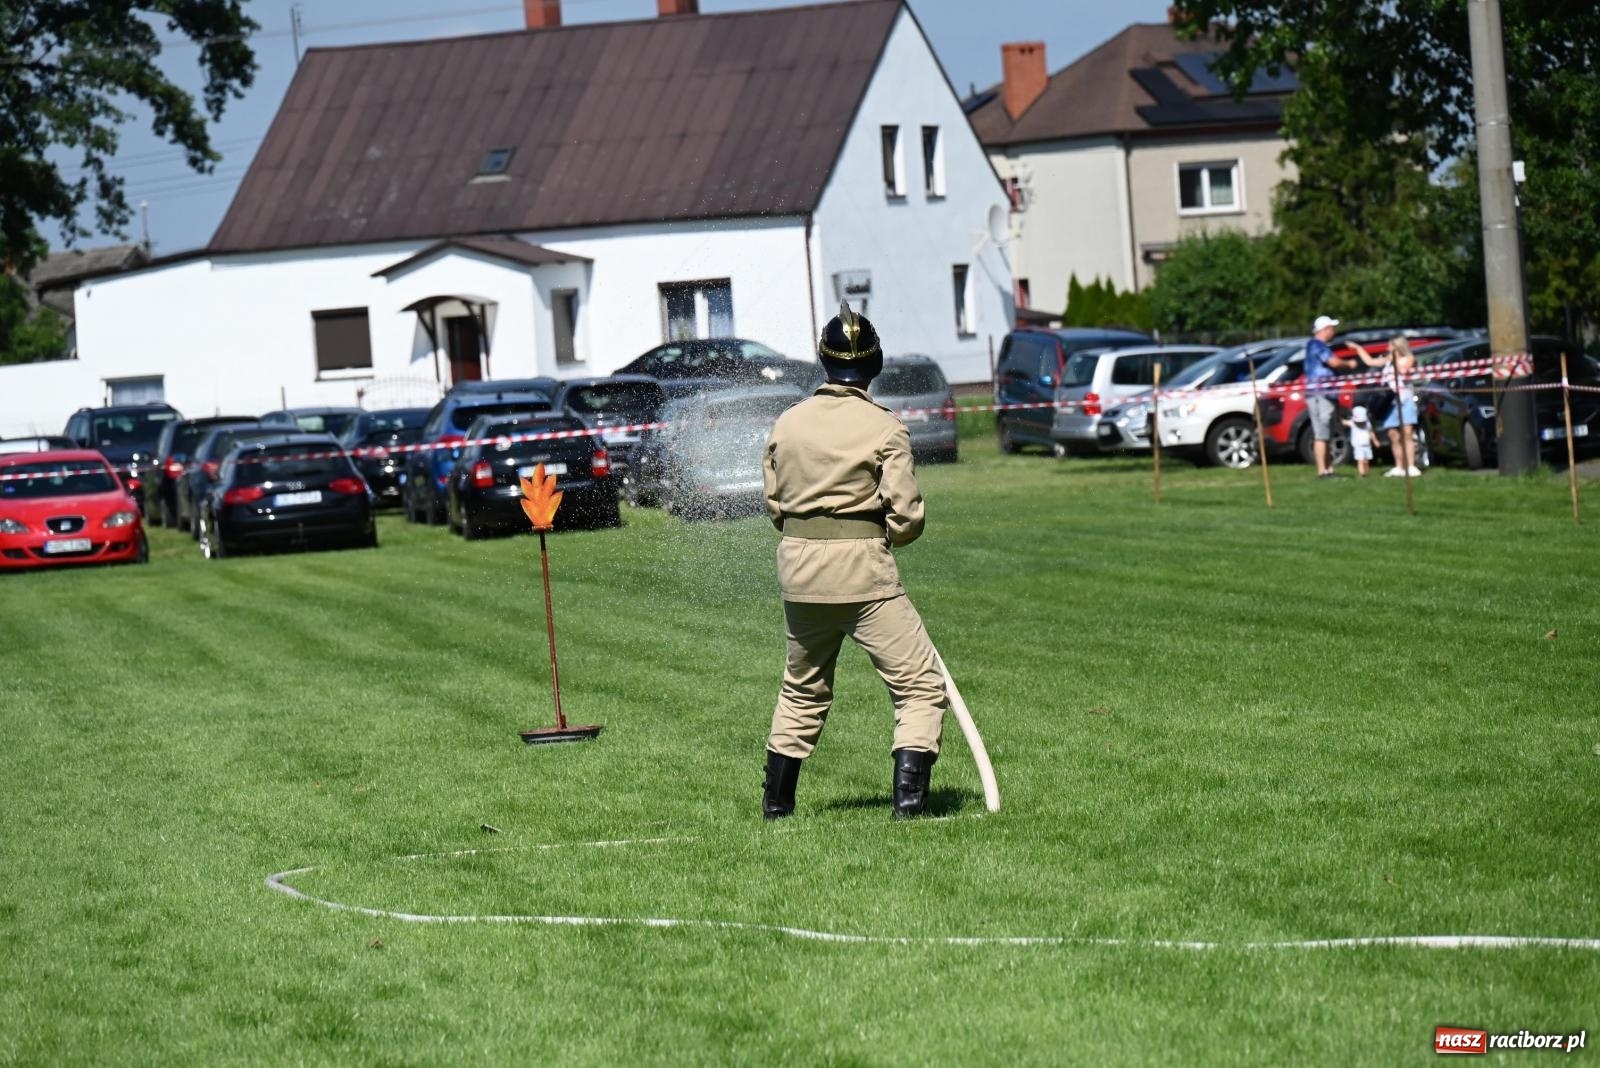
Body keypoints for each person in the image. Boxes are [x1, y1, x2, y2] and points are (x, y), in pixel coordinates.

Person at [760, 302, 947, 821]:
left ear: (824, 361)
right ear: (875, 365)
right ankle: (909, 808)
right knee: (919, 687)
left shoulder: (788, 422)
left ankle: (777, 806)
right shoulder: (885, 427)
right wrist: (877, 537)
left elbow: (775, 506)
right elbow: (906, 518)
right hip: (865, 575)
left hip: (799, 573)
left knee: (802, 689)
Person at [1304, 315, 1362, 478]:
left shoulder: (1319, 345)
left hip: (1325, 394)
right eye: (1331, 328)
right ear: (1325, 329)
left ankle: (1328, 469)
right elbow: (1333, 362)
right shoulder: (1317, 345)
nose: (1333, 331)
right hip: (1320, 394)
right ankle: (1322, 471)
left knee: (1327, 432)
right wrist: (1349, 364)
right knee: (1321, 433)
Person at [1364, 336, 1423, 477]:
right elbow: (1370, 361)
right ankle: (1399, 466)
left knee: (1407, 433)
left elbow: (1403, 371)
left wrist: (1394, 359)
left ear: (1397, 346)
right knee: (1393, 435)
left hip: (1405, 400)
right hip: (1389, 402)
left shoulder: (1408, 359)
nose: (1387, 348)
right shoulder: (1388, 361)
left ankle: (1411, 466)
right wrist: (1358, 349)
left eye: (1390, 346)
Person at [1343, 405, 1378, 477]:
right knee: (1360, 460)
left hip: (1367, 445)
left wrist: (1375, 441)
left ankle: (1366, 473)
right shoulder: (1352, 423)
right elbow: (1344, 422)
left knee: (1366, 461)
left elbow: (1371, 432)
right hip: (1358, 445)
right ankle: (1362, 474)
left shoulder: (1367, 423)